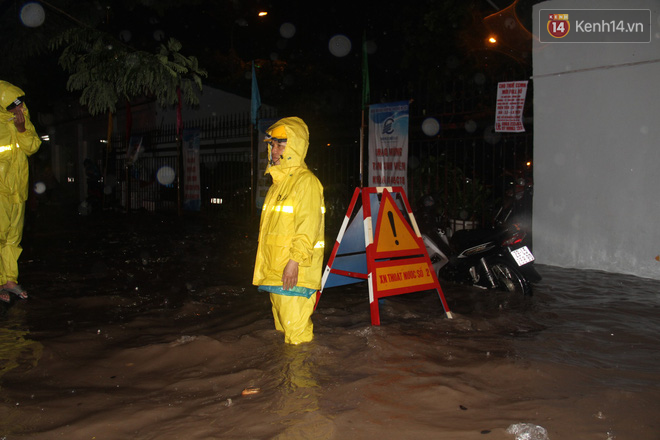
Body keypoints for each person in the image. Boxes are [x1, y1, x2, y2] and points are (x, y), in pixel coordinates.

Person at [253, 117, 325, 345]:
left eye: (281, 144)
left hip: (294, 273)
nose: (274, 150)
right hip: (276, 271)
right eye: (272, 145)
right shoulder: (278, 185)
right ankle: (287, 377)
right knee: (284, 333)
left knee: (298, 340)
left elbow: (308, 227)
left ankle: (302, 378)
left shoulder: (307, 182)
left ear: (295, 146)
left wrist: (294, 262)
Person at [0, 81, 42, 302]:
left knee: (12, 238)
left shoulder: (22, 119)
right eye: (11, 106)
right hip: (0, 191)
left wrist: (22, 128)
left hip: (17, 189)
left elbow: (33, 147)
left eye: (19, 104)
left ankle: (9, 280)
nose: (17, 109)